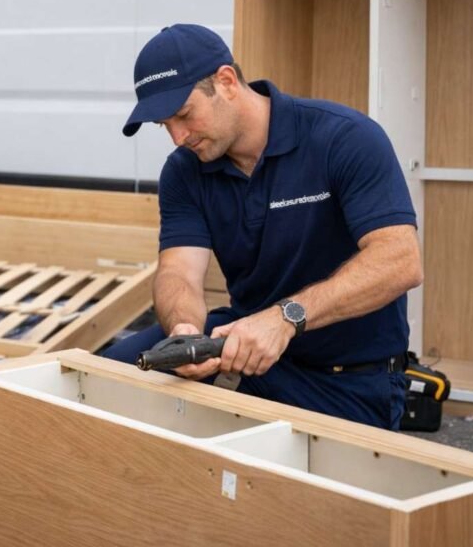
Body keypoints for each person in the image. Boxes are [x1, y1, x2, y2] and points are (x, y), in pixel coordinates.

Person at [106, 24, 423, 430]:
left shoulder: (343, 138)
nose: (177, 138)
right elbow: (178, 272)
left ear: (226, 82)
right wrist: (183, 330)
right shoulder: (184, 172)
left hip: (350, 380)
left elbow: (401, 261)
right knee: (99, 380)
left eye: (184, 116)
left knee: (307, 491)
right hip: (248, 360)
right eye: (164, 125)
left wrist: (285, 318)